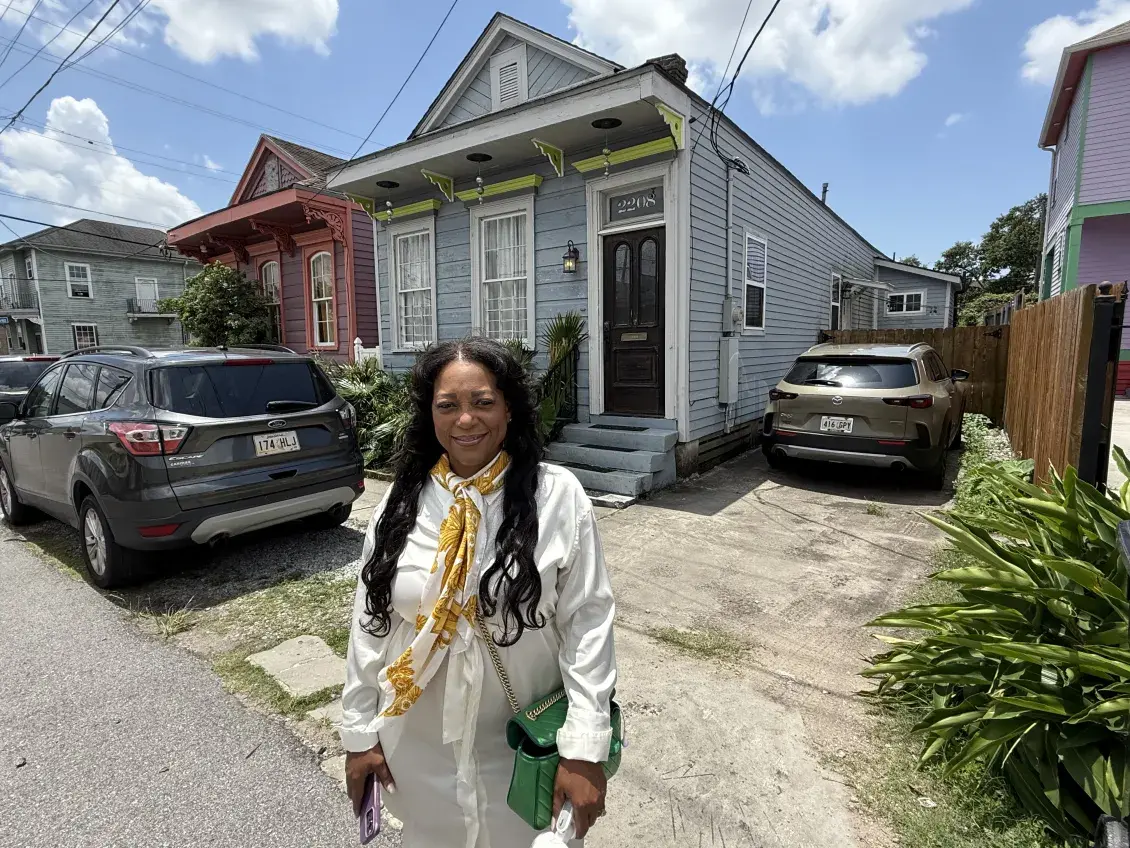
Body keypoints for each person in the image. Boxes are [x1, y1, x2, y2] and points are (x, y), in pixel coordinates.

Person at [340, 338, 617, 848]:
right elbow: (370, 622)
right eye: (448, 405)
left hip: (524, 749)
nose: (465, 419)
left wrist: (584, 748)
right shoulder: (401, 503)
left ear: (509, 408)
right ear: (430, 414)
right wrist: (359, 734)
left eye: (483, 402)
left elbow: (588, 623)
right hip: (419, 751)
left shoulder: (556, 496)